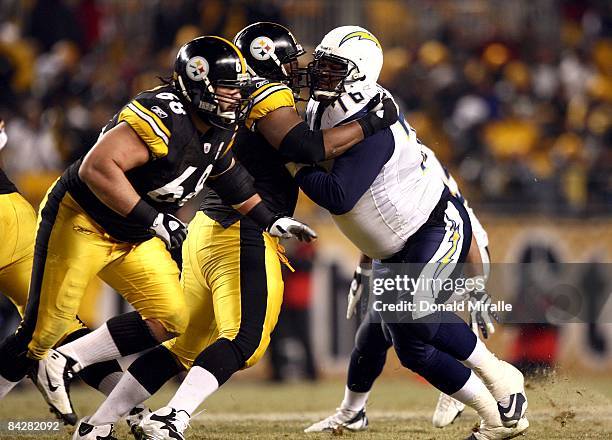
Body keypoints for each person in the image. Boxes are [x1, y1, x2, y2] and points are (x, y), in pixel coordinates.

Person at [70, 23, 397, 440]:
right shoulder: (268, 93)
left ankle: (95, 424)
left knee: (183, 347)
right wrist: (371, 123)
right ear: (269, 58)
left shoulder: (231, 97)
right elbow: (307, 149)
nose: (300, 68)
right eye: (291, 59)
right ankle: (170, 416)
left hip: (207, 226)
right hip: (242, 227)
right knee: (245, 339)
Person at [0, 35, 316, 426]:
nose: (235, 98)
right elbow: (95, 167)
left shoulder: (217, 125)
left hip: (133, 230)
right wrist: (153, 218)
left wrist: (269, 218)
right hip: (83, 220)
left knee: (172, 318)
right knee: (41, 333)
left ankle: (71, 362)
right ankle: (55, 357)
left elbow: (226, 173)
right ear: (198, 83)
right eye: (227, 88)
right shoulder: (163, 113)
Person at [288, 26, 528, 440]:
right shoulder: (336, 111)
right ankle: (496, 416)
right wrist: (367, 263)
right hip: (399, 242)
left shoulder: (374, 123)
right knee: (404, 342)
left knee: (413, 314)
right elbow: (373, 208)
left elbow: (343, 197)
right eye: (322, 66)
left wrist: (476, 286)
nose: (322, 75)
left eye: (333, 68)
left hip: (437, 229)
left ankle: (501, 377)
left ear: (360, 74)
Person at [309, 145, 497, 432]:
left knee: (403, 333)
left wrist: (476, 286)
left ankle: (486, 389)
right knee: (374, 331)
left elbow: (460, 222)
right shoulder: (395, 158)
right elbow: (381, 229)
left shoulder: (406, 165)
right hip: (421, 248)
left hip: (457, 250)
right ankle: (352, 412)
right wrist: (364, 266)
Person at [0, 118, 137, 419]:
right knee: (54, 324)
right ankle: (134, 409)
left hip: (10, 216)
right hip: (12, 210)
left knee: (49, 323)